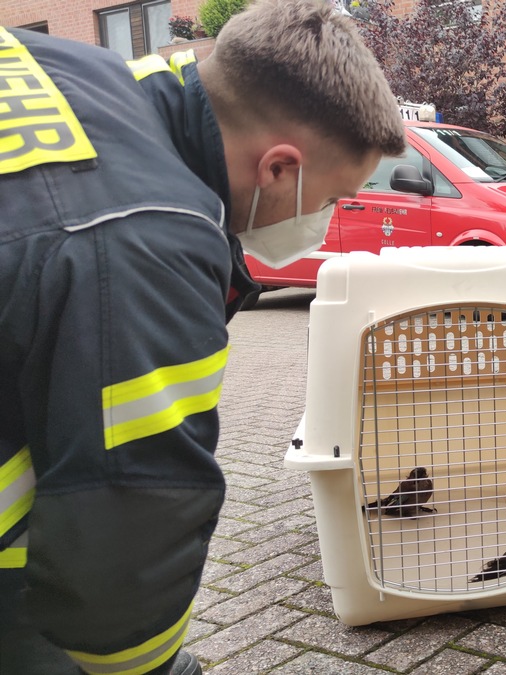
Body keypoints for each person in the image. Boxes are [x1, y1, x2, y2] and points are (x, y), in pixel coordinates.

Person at [0, 1, 407, 673]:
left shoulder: (71, 66)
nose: (325, 222)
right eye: (332, 199)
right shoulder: (150, 243)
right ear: (278, 167)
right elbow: (129, 515)